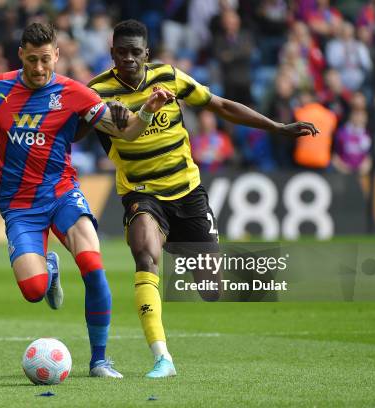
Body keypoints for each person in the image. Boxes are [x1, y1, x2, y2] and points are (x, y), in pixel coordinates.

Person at [0, 22, 173, 378]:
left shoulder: (74, 93)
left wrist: (148, 110)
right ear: (21, 56)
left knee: (93, 266)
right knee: (33, 290)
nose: (40, 68)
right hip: (19, 207)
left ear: (57, 55)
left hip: (62, 195)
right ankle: (50, 269)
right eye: (32, 60)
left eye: (46, 59)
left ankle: (99, 361)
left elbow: (129, 131)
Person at [82, 20, 318, 378]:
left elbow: (220, 105)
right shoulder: (97, 91)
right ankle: (163, 358)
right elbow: (74, 127)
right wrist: (97, 118)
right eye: (121, 51)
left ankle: (177, 242)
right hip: (140, 191)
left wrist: (277, 127)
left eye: (135, 52)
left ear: (146, 53)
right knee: (145, 255)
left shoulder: (170, 77)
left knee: (211, 287)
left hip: (187, 190)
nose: (128, 58)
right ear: (111, 51)